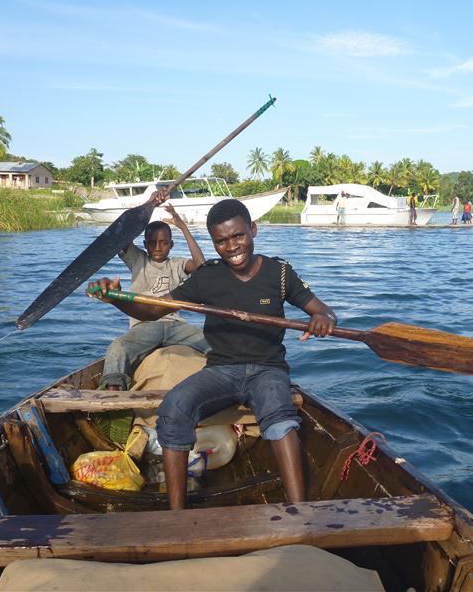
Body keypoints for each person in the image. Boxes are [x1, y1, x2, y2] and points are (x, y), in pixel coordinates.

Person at [88, 199, 337, 510]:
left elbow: (321, 309)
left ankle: (300, 514)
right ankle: (176, 517)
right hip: (221, 371)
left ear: (253, 230)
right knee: (174, 407)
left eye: (238, 236)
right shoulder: (208, 276)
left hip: (268, 370)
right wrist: (117, 299)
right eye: (221, 240)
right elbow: (152, 310)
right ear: (214, 242)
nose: (232, 247)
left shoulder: (280, 272)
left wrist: (325, 318)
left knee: (280, 417)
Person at [98, 201, 209, 391]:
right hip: (144, 326)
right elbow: (119, 235)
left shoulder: (176, 264)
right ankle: (112, 396)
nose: (158, 248)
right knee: (118, 347)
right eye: (152, 243)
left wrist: (182, 226)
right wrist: (150, 203)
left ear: (171, 245)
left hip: (176, 326)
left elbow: (200, 265)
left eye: (164, 243)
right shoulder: (137, 259)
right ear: (145, 244)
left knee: (217, 342)